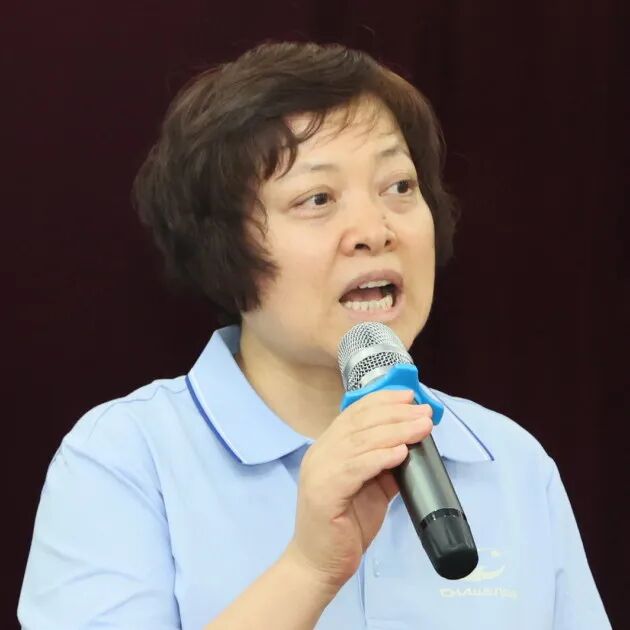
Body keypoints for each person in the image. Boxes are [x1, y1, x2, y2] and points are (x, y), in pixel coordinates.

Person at [18, 41, 611, 630]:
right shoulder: (125, 459)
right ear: (223, 246)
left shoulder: (509, 462)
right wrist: (306, 570)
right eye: (318, 198)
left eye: (400, 187)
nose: (375, 230)